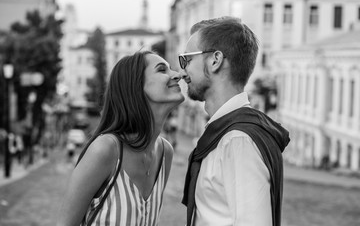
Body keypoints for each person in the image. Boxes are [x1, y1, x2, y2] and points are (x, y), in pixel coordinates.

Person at [179, 16, 290, 226]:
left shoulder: (238, 141)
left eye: (187, 59)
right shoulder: (230, 131)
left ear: (215, 60)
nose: (182, 69)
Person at [57, 50, 185, 226]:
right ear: (136, 86)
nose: (178, 75)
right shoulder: (106, 149)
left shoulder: (165, 153)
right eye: (162, 70)